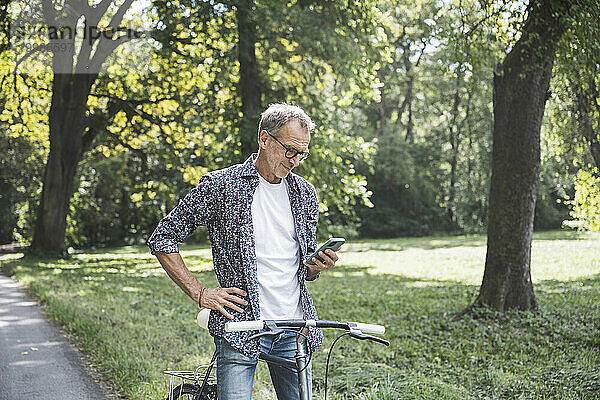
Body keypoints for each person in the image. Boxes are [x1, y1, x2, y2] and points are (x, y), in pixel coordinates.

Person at [147, 103, 340, 400]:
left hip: (294, 327)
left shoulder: (305, 194)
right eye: (290, 150)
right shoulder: (221, 186)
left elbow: (305, 269)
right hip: (241, 325)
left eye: (302, 153)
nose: (296, 160)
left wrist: (316, 265)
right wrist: (200, 293)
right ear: (264, 139)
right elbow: (163, 238)